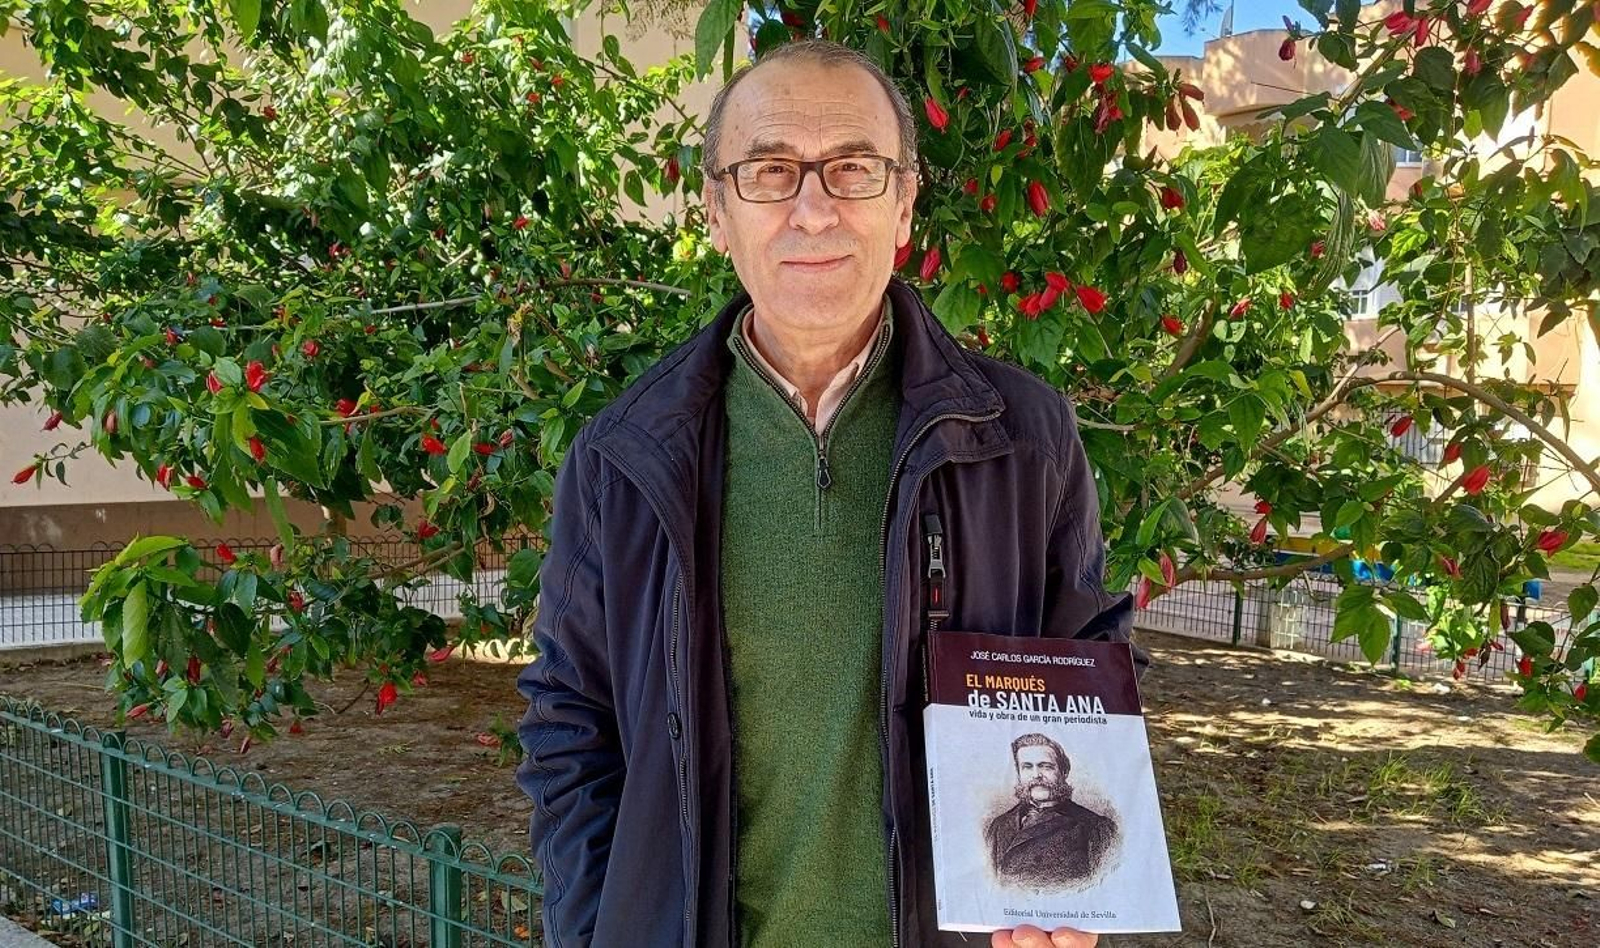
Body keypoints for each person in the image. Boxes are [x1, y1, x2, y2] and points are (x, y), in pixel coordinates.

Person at [514, 39, 1138, 948]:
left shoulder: (1023, 437)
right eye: (770, 171)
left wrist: (1078, 910)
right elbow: (571, 726)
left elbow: (1088, 674)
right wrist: (593, 928)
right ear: (719, 211)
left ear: (903, 205)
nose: (813, 211)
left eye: (852, 169)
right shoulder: (624, 458)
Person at [985, 734, 1117, 888]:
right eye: (1027, 767)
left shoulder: (1097, 828)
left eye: (1046, 766)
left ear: (1064, 772)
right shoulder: (998, 826)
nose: (1036, 775)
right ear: (1019, 773)